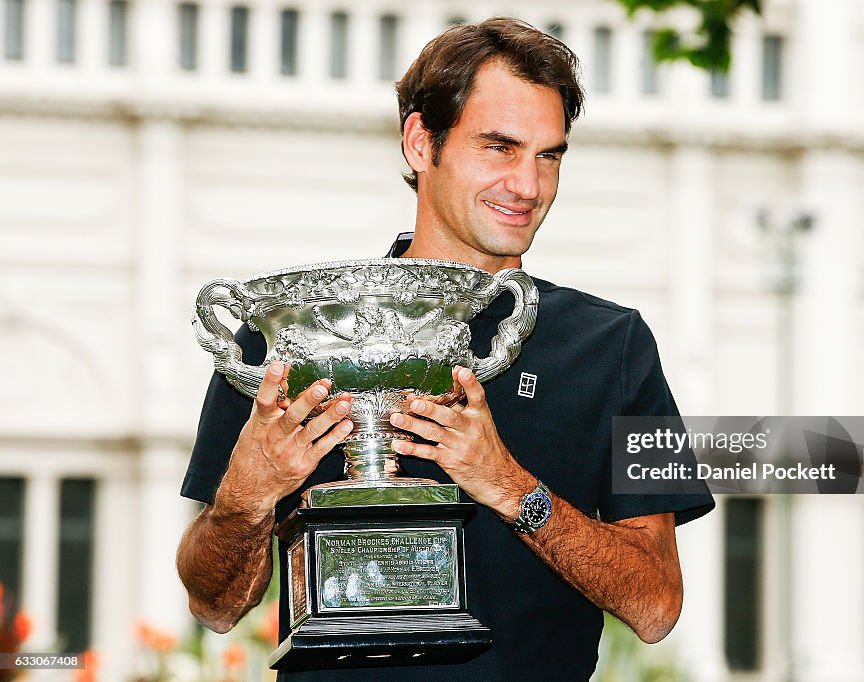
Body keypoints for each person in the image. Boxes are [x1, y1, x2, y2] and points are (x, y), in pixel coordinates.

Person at [177, 17, 714, 681]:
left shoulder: (614, 344)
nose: (528, 184)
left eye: (549, 155)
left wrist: (510, 487)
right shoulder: (290, 333)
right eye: (499, 147)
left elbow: (658, 603)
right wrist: (247, 496)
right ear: (420, 142)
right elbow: (215, 604)